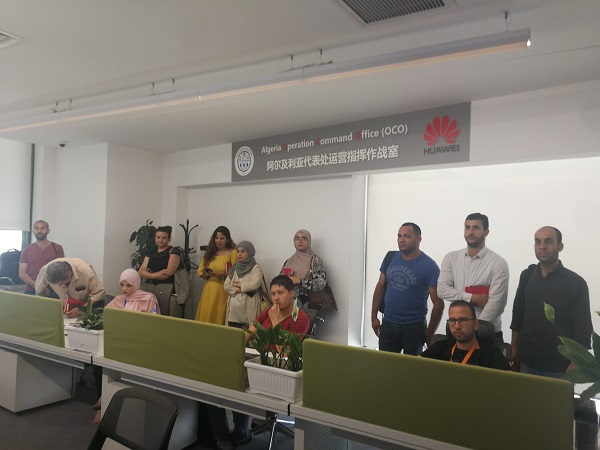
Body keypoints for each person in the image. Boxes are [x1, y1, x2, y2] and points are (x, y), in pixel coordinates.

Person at [510, 226, 592, 378]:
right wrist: (514, 349)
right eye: (538, 241)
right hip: (527, 362)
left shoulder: (575, 283)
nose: (542, 246)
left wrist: (576, 362)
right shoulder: (527, 276)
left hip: (560, 367)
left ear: (560, 246)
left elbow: (583, 328)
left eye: (548, 241)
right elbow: (517, 317)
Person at [371, 223, 444, 355]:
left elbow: (438, 303)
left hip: (414, 328)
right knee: (385, 364)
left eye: (407, 236)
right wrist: (373, 316)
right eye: (399, 236)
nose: (401, 240)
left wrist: (430, 333)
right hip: (388, 323)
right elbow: (380, 287)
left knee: (411, 366)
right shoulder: (390, 257)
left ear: (418, 239)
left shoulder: (429, 266)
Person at [437, 213, 509, 342]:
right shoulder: (451, 258)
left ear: (486, 232)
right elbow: (442, 290)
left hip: (487, 333)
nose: (470, 232)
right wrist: (472, 297)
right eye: (467, 227)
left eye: (476, 227)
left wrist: (474, 329)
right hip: (457, 332)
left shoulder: (498, 263)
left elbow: (496, 304)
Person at [422, 300, 510, 370]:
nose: (457, 326)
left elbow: (509, 382)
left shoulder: (492, 355)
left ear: (475, 324)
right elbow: (417, 366)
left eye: (463, 320)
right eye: (452, 320)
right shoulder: (440, 347)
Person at [35, 257, 106, 318]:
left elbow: (99, 293)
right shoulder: (45, 271)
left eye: (61, 284)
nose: (60, 286)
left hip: (86, 305)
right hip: (64, 306)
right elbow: (39, 292)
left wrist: (81, 309)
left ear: (69, 274)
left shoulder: (85, 272)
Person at [196, 226, 237, 324]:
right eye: (216, 238)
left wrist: (223, 274)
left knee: (219, 314)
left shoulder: (233, 253)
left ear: (227, 239)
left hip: (224, 289)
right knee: (207, 313)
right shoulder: (209, 253)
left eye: (222, 238)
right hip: (209, 288)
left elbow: (235, 273)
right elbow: (200, 272)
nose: (218, 241)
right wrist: (206, 274)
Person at [281, 229, 326, 307]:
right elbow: (279, 282)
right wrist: (286, 279)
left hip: (307, 304)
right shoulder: (289, 261)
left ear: (309, 241)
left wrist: (299, 281)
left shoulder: (315, 260)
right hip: (288, 303)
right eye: (297, 238)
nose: (300, 241)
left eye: (304, 238)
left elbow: (321, 284)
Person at [224, 241, 263, 328]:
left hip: (248, 307)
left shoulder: (256, 268)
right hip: (234, 311)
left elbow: (255, 284)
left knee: (248, 333)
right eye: (238, 251)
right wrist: (241, 289)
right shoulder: (234, 268)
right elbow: (226, 286)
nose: (239, 254)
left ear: (249, 252)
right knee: (233, 333)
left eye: (243, 251)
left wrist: (239, 284)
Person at [19, 220, 65, 295]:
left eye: (43, 228)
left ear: (48, 231)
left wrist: (47, 288)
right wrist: (37, 286)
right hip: (31, 290)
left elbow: (61, 271)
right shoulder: (26, 250)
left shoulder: (57, 248)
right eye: (36, 228)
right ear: (33, 231)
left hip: (52, 291)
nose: (39, 231)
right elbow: (22, 273)